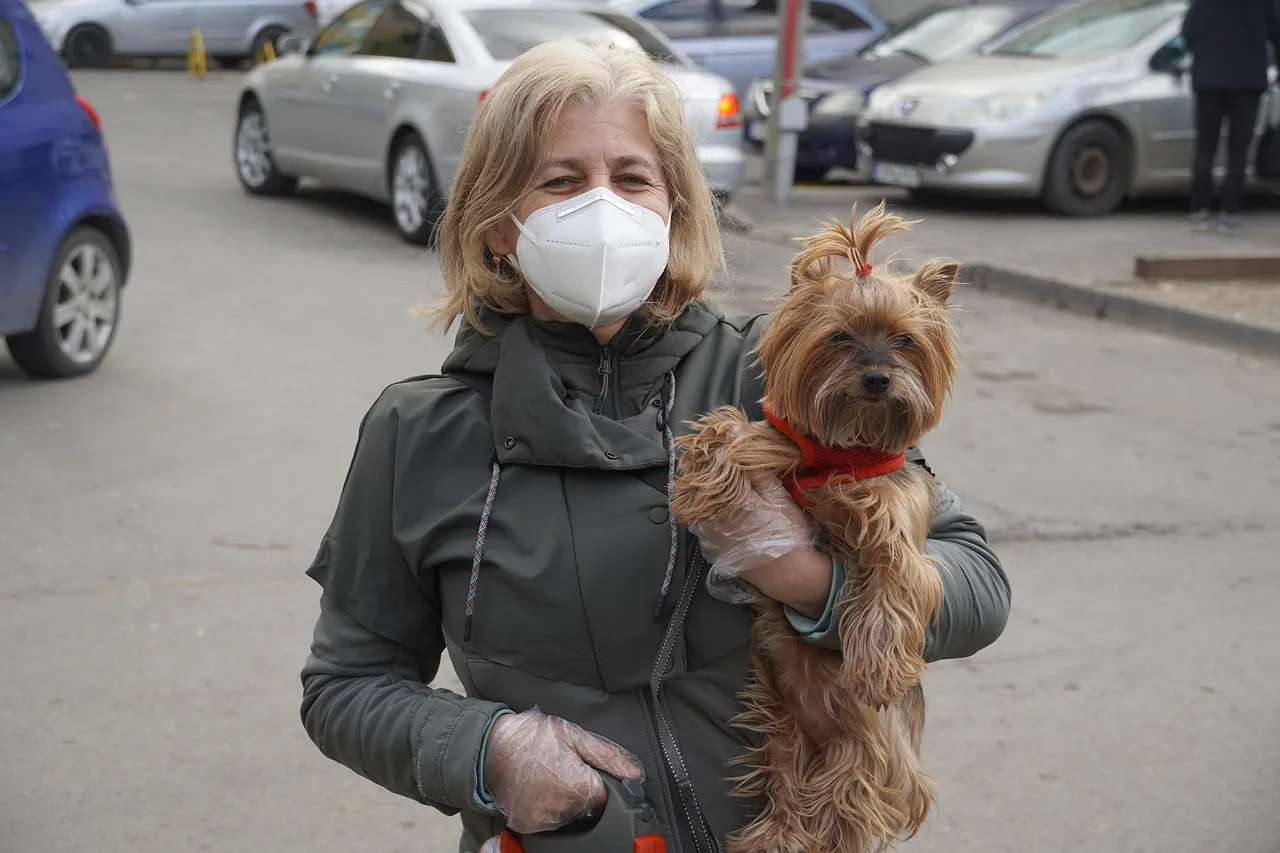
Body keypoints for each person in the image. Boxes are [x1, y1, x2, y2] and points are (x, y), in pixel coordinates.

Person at [298, 40, 1011, 853]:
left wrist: (811, 580)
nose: (603, 207)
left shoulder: (782, 378)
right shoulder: (417, 433)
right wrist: (487, 750)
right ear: (497, 225)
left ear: (675, 210)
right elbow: (346, 688)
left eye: (632, 178)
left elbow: (979, 588)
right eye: (562, 180)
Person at [1182, 0, 1280, 232]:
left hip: (1208, 79)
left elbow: (1188, 32)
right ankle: (1229, 212)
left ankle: (1200, 210)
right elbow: (1277, 31)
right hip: (1247, 81)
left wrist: (1205, 54)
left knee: (1205, 147)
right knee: (1239, 149)